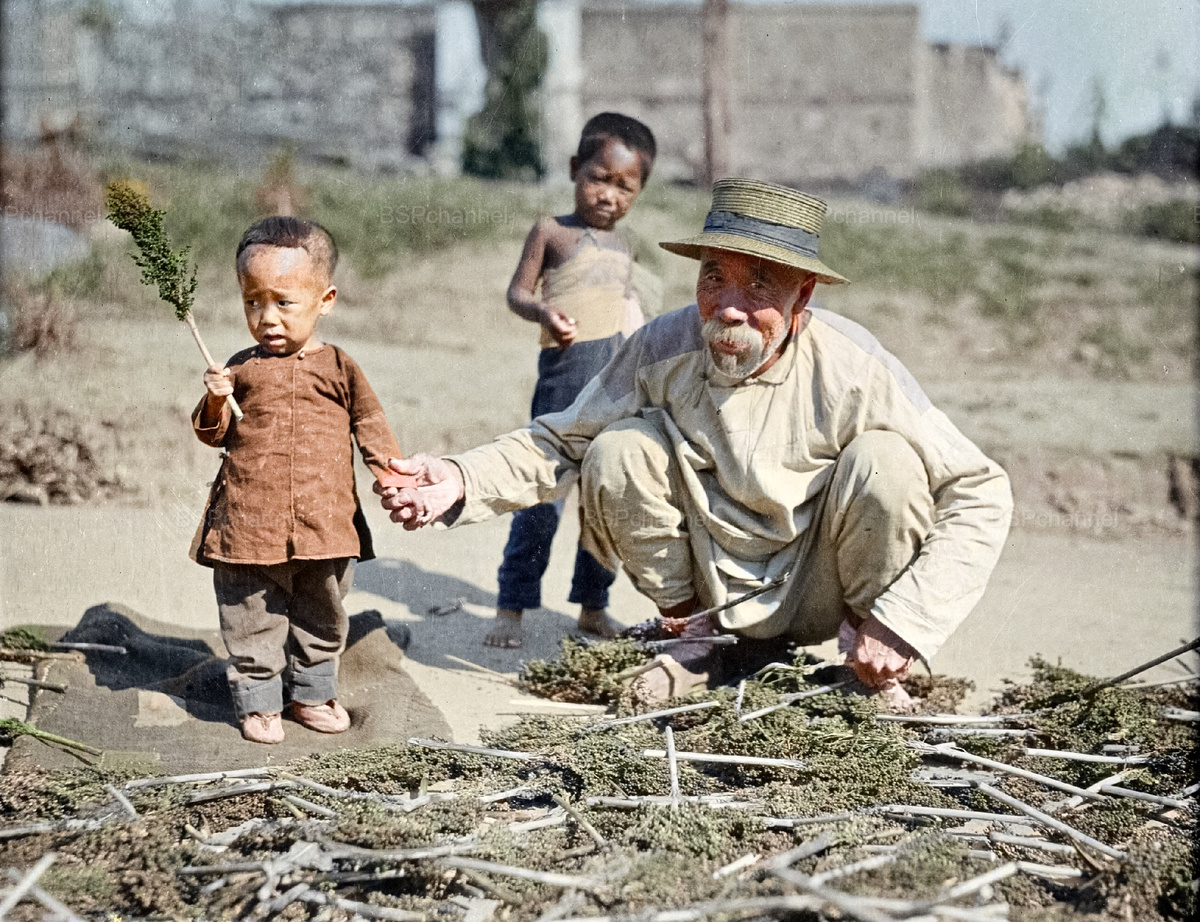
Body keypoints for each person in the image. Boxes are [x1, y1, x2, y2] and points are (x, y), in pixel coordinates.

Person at [379, 179, 1013, 702]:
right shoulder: (663, 345)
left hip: (821, 589)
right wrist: (459, 478)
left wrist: (902, 622)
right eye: (714, 277)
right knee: (617, 449)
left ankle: (866, 666)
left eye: (760, 284)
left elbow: (980, 489)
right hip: (708, 584)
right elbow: (562, 441)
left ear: (803, 295)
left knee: (887, 463)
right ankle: (697, 644)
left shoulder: (854, 366)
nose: (729, 307)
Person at [191, 216, 409, 743]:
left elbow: (369, 422)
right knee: (250, 614)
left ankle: (312, 693)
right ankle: (259, 702)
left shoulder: (339, 367)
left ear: (324, 300)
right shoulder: (240, 369)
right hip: (249, 523)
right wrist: (216, 399)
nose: (267, 318)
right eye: (252, 302)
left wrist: (390, 474)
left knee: (323, 612)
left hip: (324, 522)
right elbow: (212, 433)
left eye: (284, 302)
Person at [486, 112, 658, 649]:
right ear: (573, 169)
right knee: (541, 499)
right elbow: (517, 293)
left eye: (624, 186)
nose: (608, 195)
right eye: (598, 178)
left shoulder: (628, 246)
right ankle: (511, 607)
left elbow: (633, 310)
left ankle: (593, 607)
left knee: (605, 506)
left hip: (617, 390)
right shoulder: (552, 231)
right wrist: (542, 312)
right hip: (564, 387)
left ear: (639, 191)